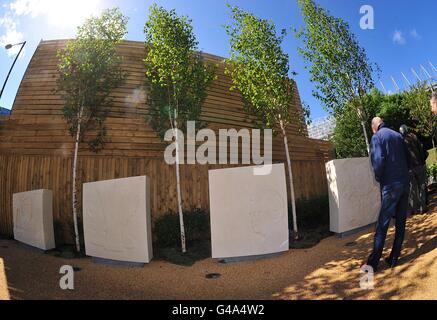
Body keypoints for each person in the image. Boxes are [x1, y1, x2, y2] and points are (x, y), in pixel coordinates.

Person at [363, 117, 410, 272]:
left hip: (390, 186)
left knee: (382, 224)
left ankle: (373, 263)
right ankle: (394, 258)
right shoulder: (398, 135)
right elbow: (408, 158)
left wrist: (379, 178)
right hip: (404, 183)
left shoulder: (377, 137)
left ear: (374, 127)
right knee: (401, 222)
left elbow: (378, 162)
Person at [399, 125, 428, 214]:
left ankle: (414, 209)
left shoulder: (400, 141)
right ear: (407, 130)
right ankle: (423, 206)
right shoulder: (414, 136)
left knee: (412, 188)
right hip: (419, 164)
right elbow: (421, 149)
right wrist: (423, 160)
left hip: (410, 168)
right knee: (422, 185)